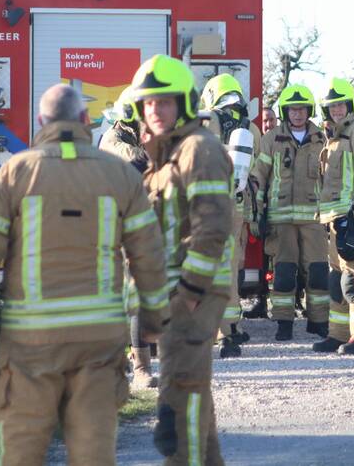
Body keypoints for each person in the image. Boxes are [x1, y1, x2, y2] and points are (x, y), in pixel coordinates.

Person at [0, 84, 170, 465]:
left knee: (20, 448)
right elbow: (149, 254)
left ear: (42, 121)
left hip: (31, 339)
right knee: (93, 449)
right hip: (97, 340)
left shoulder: (15, 173)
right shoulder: (119, 175)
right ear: (85, 120)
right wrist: (154, 317)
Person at [132, 55, 233, 466]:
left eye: (165, 101)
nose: (155, 110)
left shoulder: (198, 149)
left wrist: (189, 292)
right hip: (176, 291)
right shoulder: (165, 155)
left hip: (195, 291)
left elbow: (213, 227)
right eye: (148, 103)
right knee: (193, 388)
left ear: (185, 104)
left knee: (179, 394)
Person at [250, 84, 329, 342]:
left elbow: (330, 179)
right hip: (281, 220)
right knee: (284, 274)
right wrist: (257, 213)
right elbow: (259, 178)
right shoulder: (271, 139)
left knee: (318, 272)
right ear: (285, 112)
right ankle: (284, 323)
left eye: (302, 109)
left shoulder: (322, 139)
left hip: (314, 219)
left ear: (309, 110)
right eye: (293, 110)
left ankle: (318, 322)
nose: (297, 114)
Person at [312, 77, 354, 355]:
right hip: (335, 217)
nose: (337, 110)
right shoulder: (333, 133)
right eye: (332, 106)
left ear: (350, 104)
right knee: (337, 278)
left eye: (341, 105)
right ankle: (338, 334)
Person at [98, 87, 157, 389]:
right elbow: (139, 162)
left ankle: (138, 364)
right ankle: (135, 367)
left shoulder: (137, 138)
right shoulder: (114, 141)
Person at [199, 73, 261, 359]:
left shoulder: (205, 121)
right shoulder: (250, 128)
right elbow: (256, 172)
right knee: (229, 268)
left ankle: (214, 331)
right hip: (235, 207)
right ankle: (230, 329)